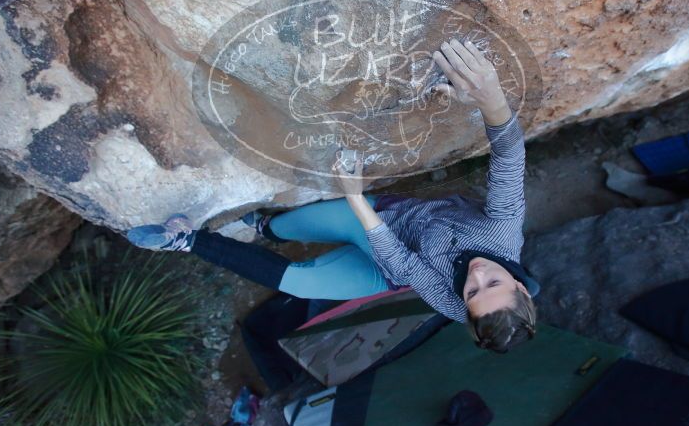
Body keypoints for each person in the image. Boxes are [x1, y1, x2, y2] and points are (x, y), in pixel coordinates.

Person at [127, 38, 538, 354]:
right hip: (393, 217)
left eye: (471, 292)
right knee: (287, 226)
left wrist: (355, 197)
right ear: (519, 285)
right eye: (493, 281)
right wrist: (492, 97)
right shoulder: (501, 233)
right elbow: (508, 156)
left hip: (390, 266)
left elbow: (401, 261)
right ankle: (265, 226)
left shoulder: (452, 303)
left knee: (302, 285)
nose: (477, 276)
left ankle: (187, 240)